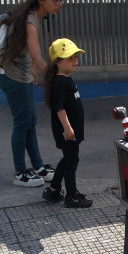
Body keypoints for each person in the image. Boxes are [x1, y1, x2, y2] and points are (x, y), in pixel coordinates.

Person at [0, 0, 63, 187]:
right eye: (55, 0)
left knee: (30, 122)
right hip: (12, 77)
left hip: (22, 75)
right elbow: (37, 55)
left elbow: (23, 49)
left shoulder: (33, 16)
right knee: (22, 123)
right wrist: (55, 79)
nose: (59, 4)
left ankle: (38, 166)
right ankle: (19, 172)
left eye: (61, 0)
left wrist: (32, 70)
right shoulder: (30, 20)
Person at [41, 38, 92, 208]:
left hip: (71, 130)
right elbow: (59, 108)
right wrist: (68, 127)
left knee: (69, 158)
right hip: (67, 131)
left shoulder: (66, 78)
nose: (75, 61)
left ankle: (54, 189)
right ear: (58, 62)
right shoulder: (60, 82)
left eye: (76, 57)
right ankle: (72, 195)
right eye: (70, 57)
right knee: (71, 161)